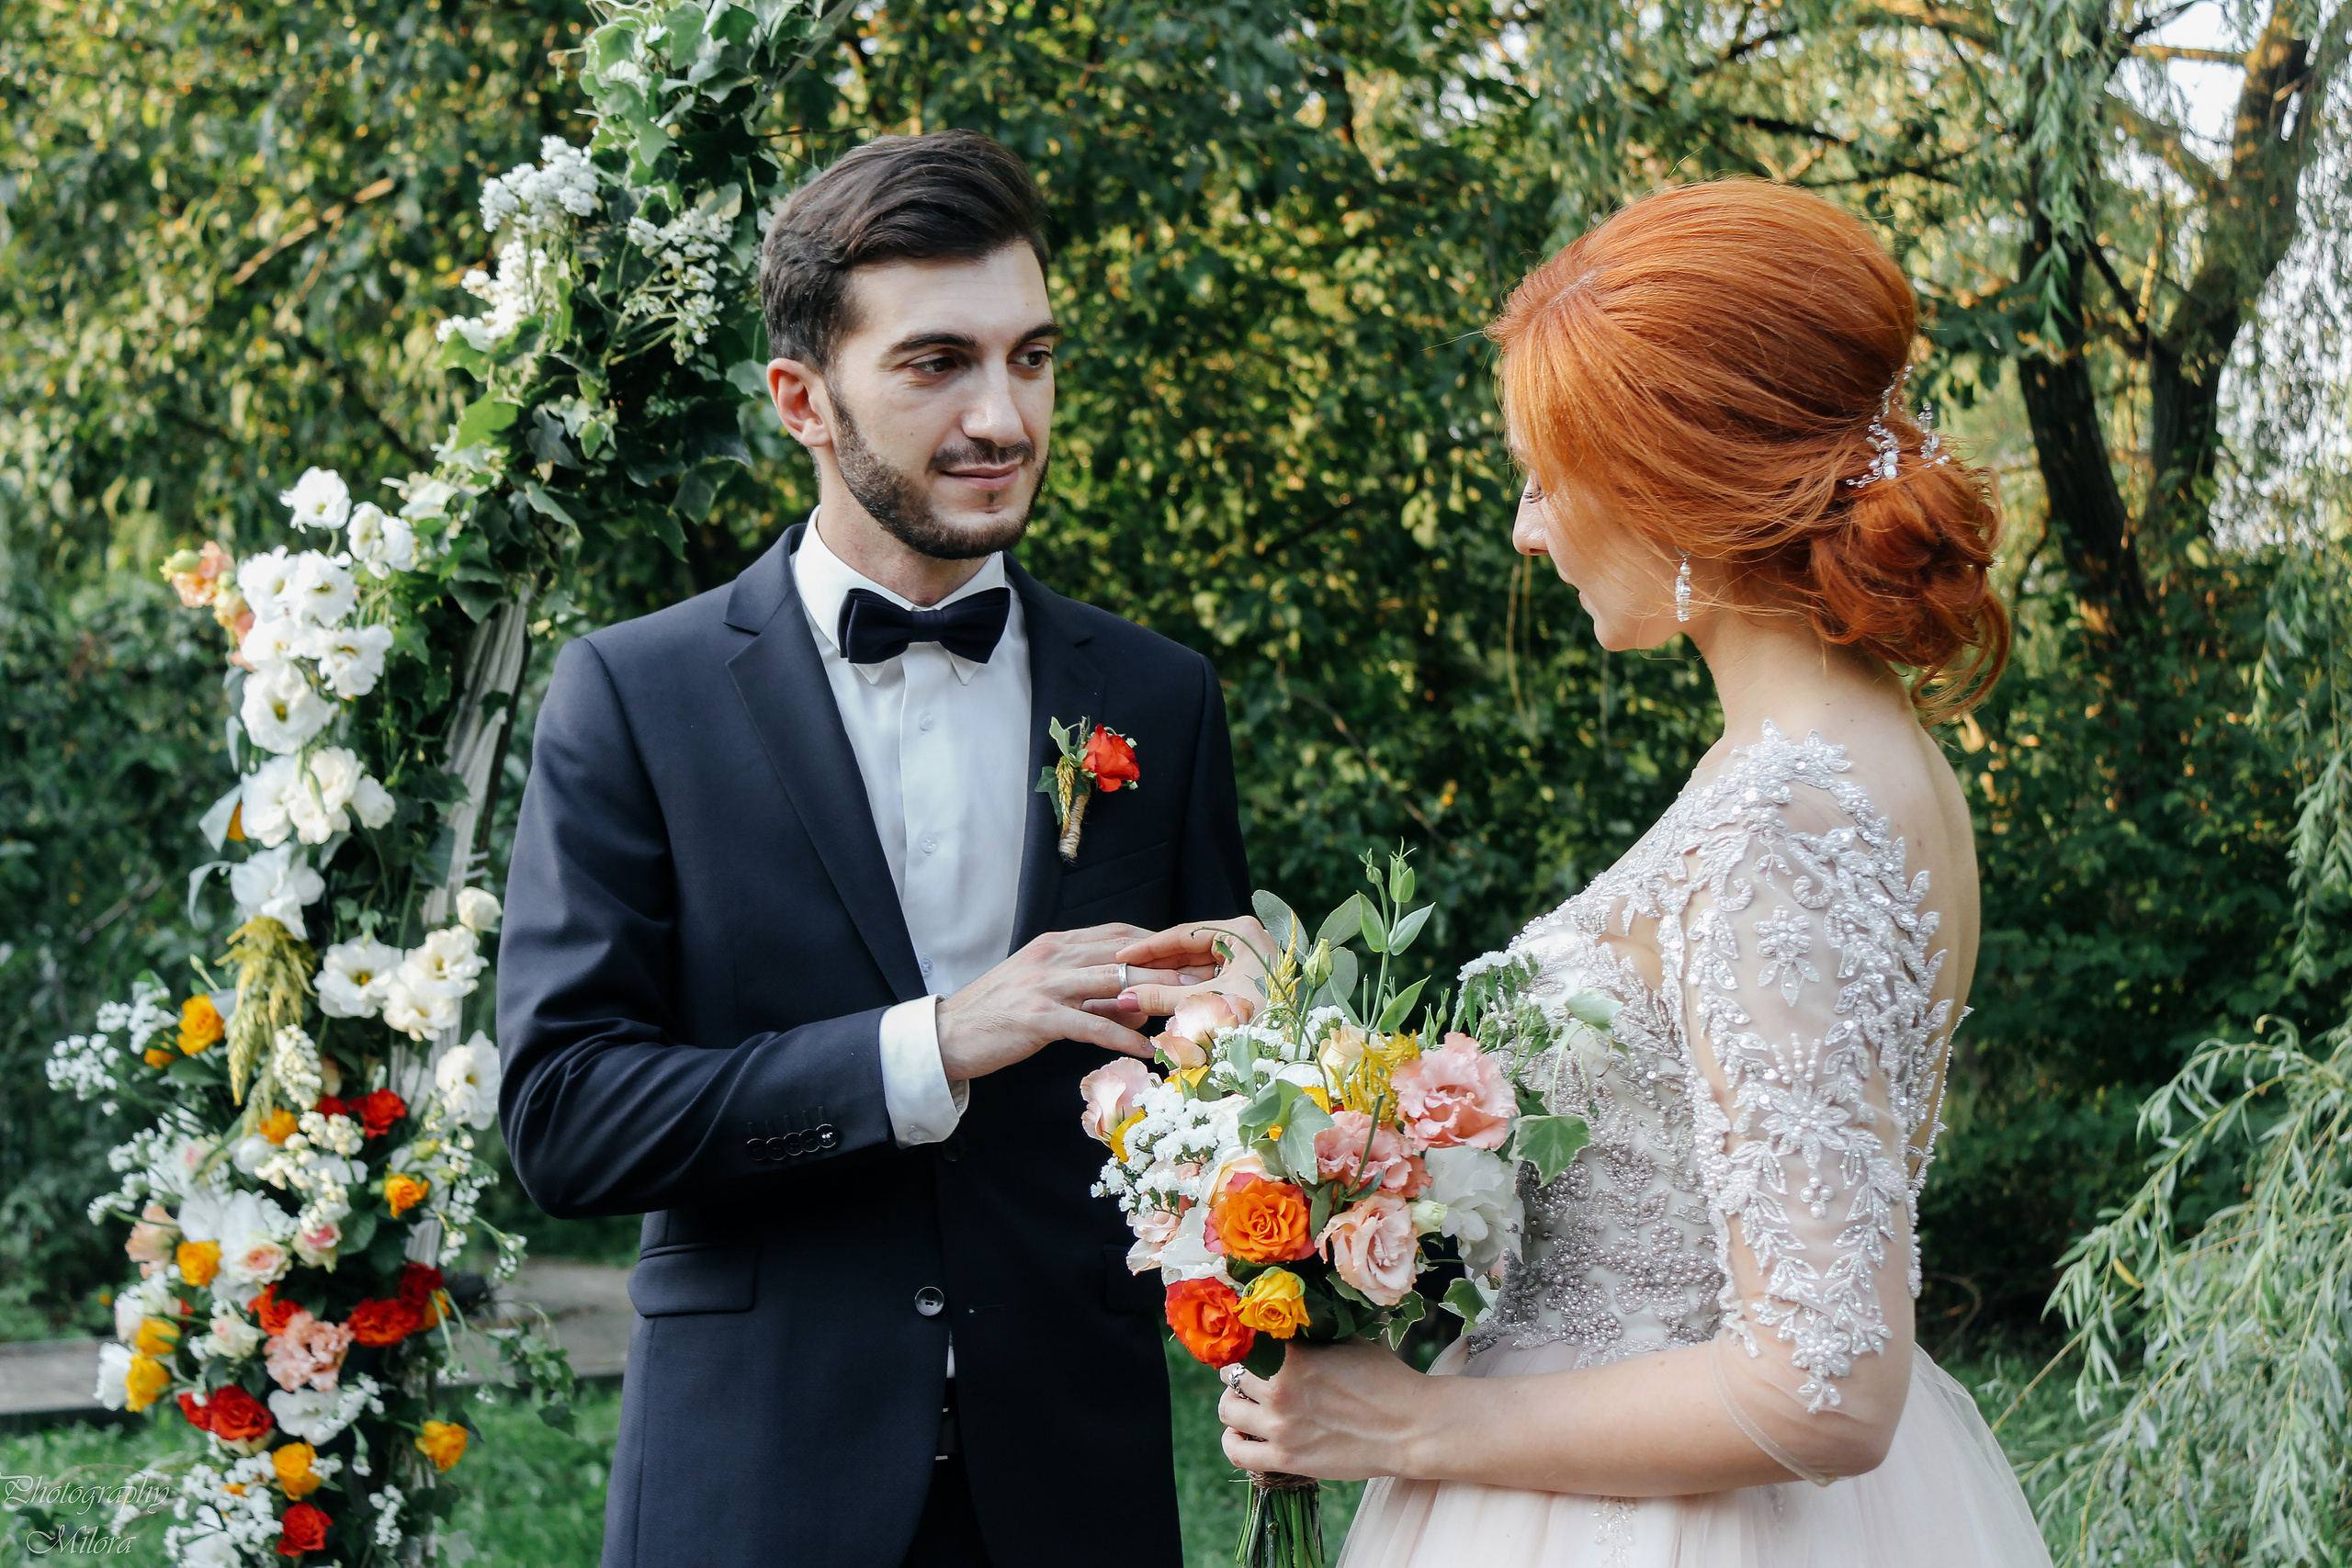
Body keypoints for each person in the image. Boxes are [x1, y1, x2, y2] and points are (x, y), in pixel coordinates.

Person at [1113, 178, 2054, 1566]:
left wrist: (1407, 1430)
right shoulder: (1844, 763)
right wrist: (1307, 1056)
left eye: (1546, 479)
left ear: (1673, 482)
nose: (1527, 530)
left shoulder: (1781, 824)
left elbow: (1824, 1387)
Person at [495, 130, 1249, 1568]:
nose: (1005, 416)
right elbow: (568, 1113)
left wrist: (1271, 1057)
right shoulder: (633, 698)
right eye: (936, 364)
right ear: (801, 400)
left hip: (1072, 1491)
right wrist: (935, 1045)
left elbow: (1217, 1107)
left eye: (1031, 357)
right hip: (755, 1480)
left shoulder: (1159, 697)